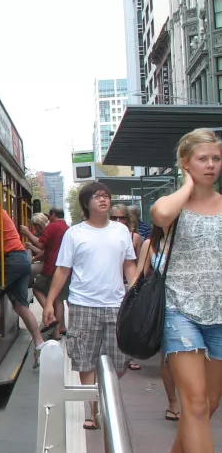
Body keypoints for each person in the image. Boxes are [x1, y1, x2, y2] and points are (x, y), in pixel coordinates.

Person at [150, 128, 222, 453]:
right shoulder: (172, 205)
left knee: (208, 405)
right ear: (186, 163)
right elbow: (160, 217)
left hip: (220, 315)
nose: (211, 165)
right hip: (180, 312)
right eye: (203, 159)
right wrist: (188, 186)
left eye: (216, 159)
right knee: (193, 403)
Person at [43, 182, 137, 429]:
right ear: (86, 203)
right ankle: (92, 409)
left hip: (116, 305)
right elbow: (63, 270)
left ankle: (105, 397)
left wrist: (135, 290)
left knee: (118, 361)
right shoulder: (75, 234)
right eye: (97, 197)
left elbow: (129, 264)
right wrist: (50, 302)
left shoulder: (120, 231)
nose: (103, 200)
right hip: (83, 305)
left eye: (106, 196)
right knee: (85, 359)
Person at [0, 204, 47, 368]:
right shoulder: (0, 211)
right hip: (20, 258)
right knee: (21, 306)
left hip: (11, 259)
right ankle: (40, 345)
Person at [134, 225, 179, 421]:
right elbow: (139, 275)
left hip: (198, 306)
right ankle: (173, 402)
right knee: (169, 356)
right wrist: (131, 302)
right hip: (165, 307)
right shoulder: (150, 244)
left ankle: (193, 400)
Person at [21, 207, 69, 340]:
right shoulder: (67, 228)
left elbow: (41, 245)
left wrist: (27, 233)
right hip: (64, 268)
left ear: (53, 215)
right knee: (59, 299)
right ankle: (59, 330)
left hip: (51, 267)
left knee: (37, 288)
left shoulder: (52, 227)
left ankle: (51, 317)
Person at [111, 203, 144, 370]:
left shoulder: (135, 237)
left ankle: (129, 356)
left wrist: (135, 285)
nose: (118, 220)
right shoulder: (106, 235)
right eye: (114, 217)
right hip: (112, 284)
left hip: (127, 283)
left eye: (121, 217)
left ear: (127, 219)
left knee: (128, 321)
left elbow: (137, 261)